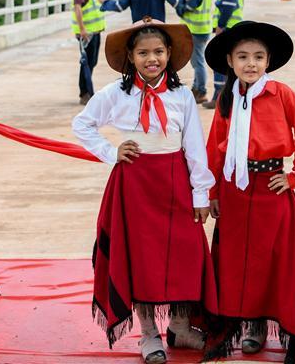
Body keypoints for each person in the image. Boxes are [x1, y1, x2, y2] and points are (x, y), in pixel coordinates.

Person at [72, 18, 217, 364]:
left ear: (169, 54)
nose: (151, 58)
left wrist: (200, 193)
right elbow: (82, 124)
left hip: (175, 181)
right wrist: (112, 151)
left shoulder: (182, 96)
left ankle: (180, 328)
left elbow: (195, 147)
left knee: (186, 254)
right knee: (140, 258)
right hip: (134, 185)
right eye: (143, 53)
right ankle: (149, 333)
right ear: (131, 57)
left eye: (158, 51)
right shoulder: (114, 94)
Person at [203, 21, 295, 364]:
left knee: (274, 261)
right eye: (243, 57)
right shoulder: (227, 98)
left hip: (270, 190)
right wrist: (212, 191)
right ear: (230, 62)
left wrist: (294, 177)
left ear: (268, 61)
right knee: (239, 263)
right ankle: (250, 324)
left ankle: (266, 326)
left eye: (258, 57)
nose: (251, 63)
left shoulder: (283, 94)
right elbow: (215, 149)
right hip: (234, 192)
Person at [202, 0, 244, 110]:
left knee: (219, 62)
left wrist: (220, 25)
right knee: (227, 63)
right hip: (232, 28)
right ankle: (226, 96)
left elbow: (229, 6)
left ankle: (219, 97)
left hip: (227, 29)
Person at [175, 0, 213, 104]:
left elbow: (186, 8)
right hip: (203, 28)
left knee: (198, 63)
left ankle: (201, 92)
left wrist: (179, 2)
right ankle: (196, 88)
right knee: (198, 61)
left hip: (195, 30)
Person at [72, 0, 109, 105]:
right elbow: (77, 7)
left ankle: (87, 91)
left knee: (91, 62)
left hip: (94, 31)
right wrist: (82, 29)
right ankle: (84, 93)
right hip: (87, 33)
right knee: (86, 62)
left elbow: (91, 4)